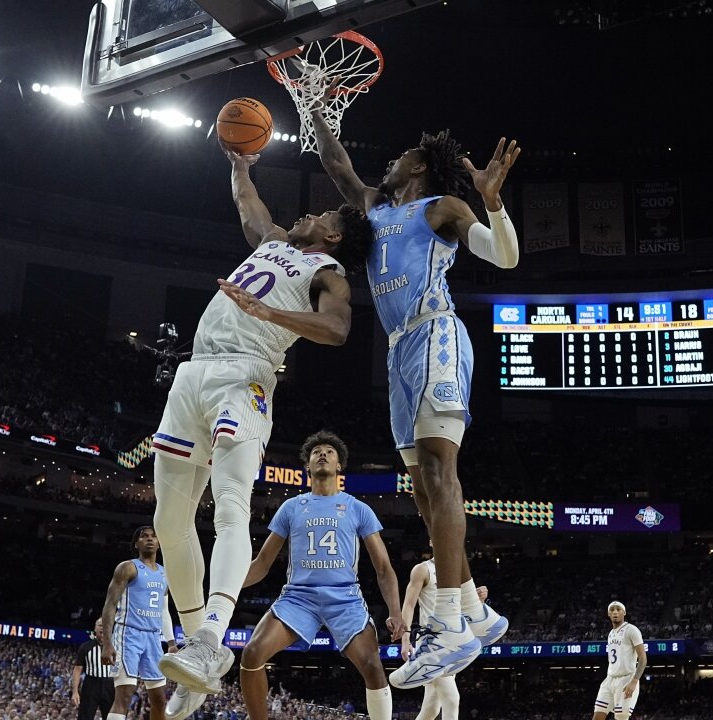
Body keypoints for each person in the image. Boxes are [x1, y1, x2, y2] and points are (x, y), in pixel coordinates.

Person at [154, 147, 372, 718]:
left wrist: (270, 314)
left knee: (230, 506)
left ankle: (210, 639)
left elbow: (337, 328)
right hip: (194, 372)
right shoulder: (276, 242)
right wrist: (240, 164)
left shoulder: (329, 273)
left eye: (323, 214)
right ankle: (197, 647)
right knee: (168, 522)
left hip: (246, 377)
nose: (311, 213)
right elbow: (248, 207)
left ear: (332, 236)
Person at [310, 108, 518, 686]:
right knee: (423, 489)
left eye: (403, 154)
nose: (392, 160)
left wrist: (492, 202)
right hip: (399, 348)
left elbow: (504, 256)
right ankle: (476, 609)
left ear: (421, 164)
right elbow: (336, 164)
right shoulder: (377, 207)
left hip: (436, 334)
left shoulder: (441, 209)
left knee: (437, 469)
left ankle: (447, 625)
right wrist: (315, 103)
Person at [239, 431, 406, 720]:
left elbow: (384, 568)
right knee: (251, 654)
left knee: (373, 665)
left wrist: (395, 611)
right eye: (316, 452)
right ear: (308, 466)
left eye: (329, 451)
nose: (323, 454)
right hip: (298, 598)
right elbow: (262, 563)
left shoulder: (358, 508)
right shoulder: (291, 507)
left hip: (344, 599)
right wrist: (223, 590)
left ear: (339, 465)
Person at [95, 527, 179, 720]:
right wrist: (107, 643)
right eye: (144, 536)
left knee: (159, 699)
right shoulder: (128, 567)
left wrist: (172, 643)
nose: (149, 539)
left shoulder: (166, 574)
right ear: (136, 544)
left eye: (153, 536)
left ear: (159, 542)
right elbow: (110, 605)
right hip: (128, 635)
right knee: (125, 694)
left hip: (153, 638)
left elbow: (163, 610)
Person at [400, 547, 490, 720]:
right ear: (432, 541)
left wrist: (478, 601)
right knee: (451, 699)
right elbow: (409, 605)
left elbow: (461, 611)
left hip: (453, 642)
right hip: (431, 644)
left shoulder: (458, 573)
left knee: (431, 709)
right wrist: (405, 638)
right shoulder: (423, 569)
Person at [591, 601, 646, 720]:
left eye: (618, 609)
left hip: (626, 679)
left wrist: (634, 681)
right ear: (608, 614)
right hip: (609, 680)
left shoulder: (631, 630)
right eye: (612, 610)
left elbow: (643, 658)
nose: (615, 612)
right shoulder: (611, 633)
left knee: (620, 718)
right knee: (597, 716)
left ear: (624, 612)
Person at [73, 619, 116, 720]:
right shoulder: (86, 647)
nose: (102, 627)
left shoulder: (116, 646)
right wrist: (75, 691)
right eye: (100, 625)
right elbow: (77, 669)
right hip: (91, 683)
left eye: (105, 625)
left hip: (110, 684)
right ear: (95, 629)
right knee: (85, 716)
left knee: (111, 717)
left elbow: (119, 667)